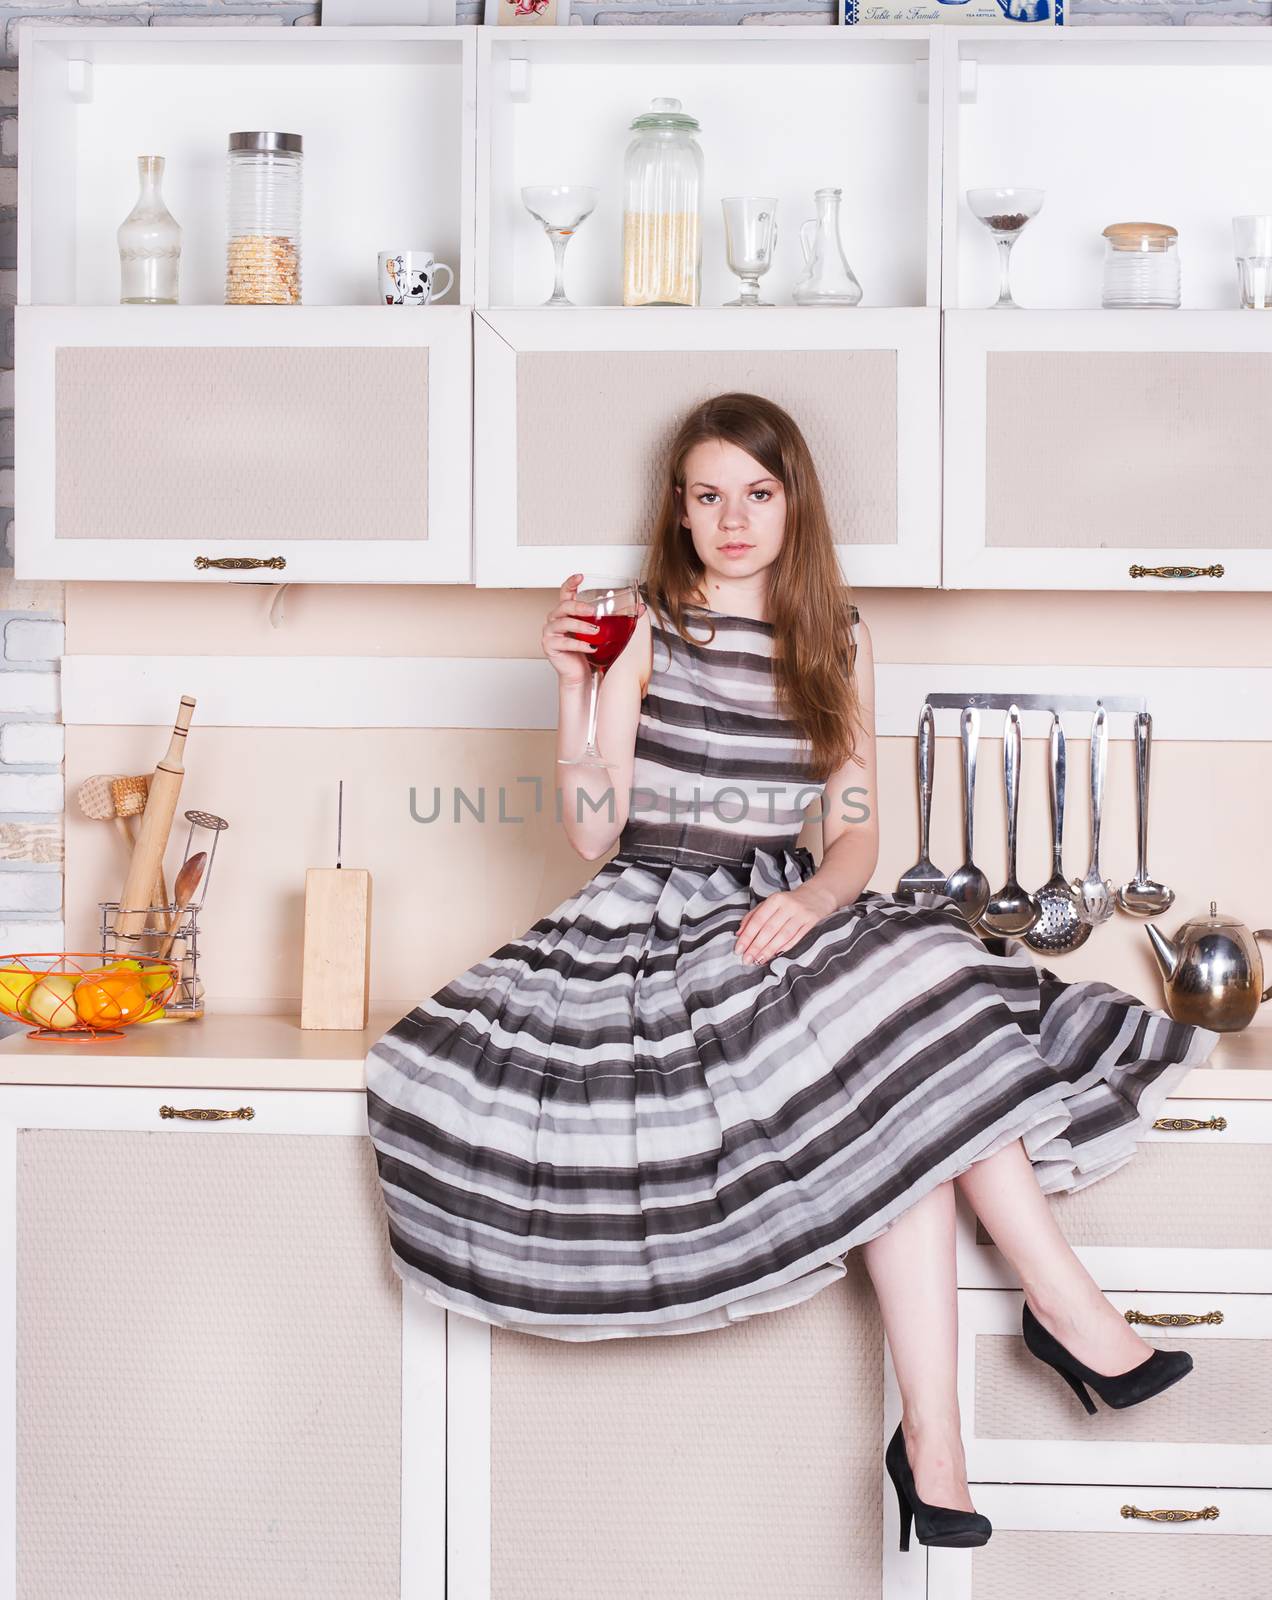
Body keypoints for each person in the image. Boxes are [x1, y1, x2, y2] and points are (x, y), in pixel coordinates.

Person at [365, 391, 1220, 1551]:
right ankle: (1055, 1319)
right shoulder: (651, 631)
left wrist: (816, 895)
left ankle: (943, 1438)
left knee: (911, 1038)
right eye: (709, 496)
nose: (733, 518)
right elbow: (587, 831)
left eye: (757, 495)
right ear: (678, 511)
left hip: (788, 908)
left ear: (791, 504)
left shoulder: (839, 636)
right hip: (660, 919)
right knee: (904, 1054)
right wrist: (573, 686)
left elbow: (858, 831)